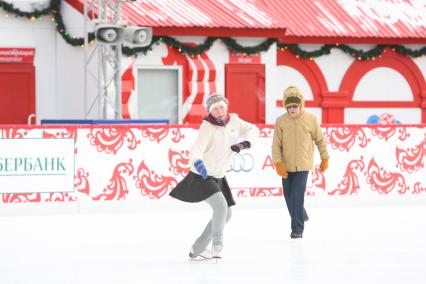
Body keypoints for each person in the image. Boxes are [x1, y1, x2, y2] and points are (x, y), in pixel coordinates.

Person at [170, 93, 260, 259]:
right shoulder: (207, 127)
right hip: (201, 176)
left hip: (218, 175)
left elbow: (253, 129)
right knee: (220, 207)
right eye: (215, 108)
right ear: (210, 111)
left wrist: (245, 143)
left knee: (227, 214)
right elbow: (197, 148)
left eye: (222, 107)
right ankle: (217, 245)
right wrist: (198, 163)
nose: (219, 111)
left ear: (227, 106)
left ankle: (197, 248)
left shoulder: (234, 120)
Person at [272, 86, 329, 239]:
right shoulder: (281, 121)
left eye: (295, 106)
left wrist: (325, 158)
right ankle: (301, 213)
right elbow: (276, 145)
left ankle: (297, 229)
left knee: (297, 196)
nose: (292, 109)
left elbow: (320, 140)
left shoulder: (311, 119)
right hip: (286, 165)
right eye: (289, 106)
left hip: (303, 165)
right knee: (288, 196)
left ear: (301, 104)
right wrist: (278, 163)